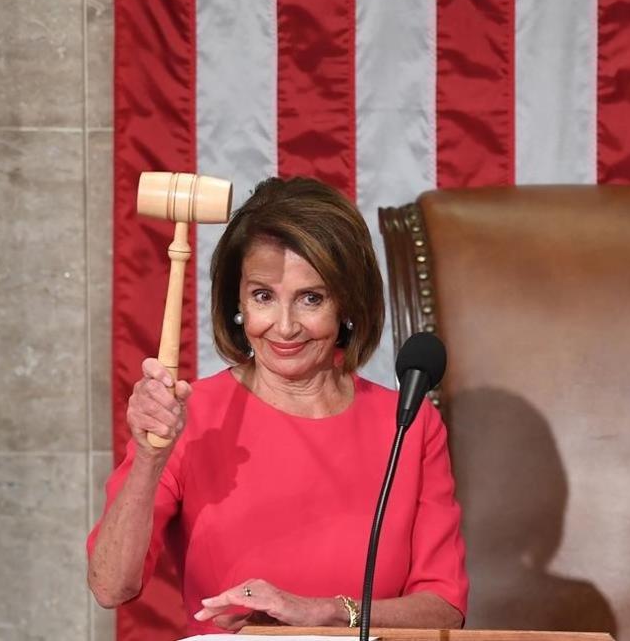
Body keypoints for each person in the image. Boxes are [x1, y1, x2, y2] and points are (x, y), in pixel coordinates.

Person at [87, 177, 467, 634]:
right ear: (239, 302)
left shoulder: (409, 424)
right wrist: (149, 458)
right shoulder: (191, 415)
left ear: (348, 302)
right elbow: (111, 587)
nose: (285, 327)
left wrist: (323, 612)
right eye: (263, 296)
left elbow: (444, 608)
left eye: (311, 298)